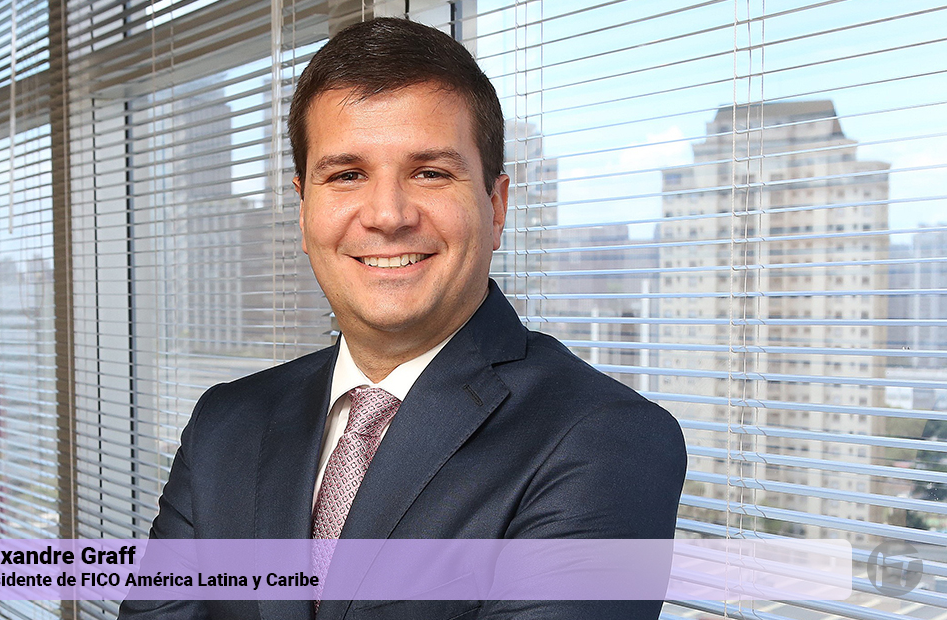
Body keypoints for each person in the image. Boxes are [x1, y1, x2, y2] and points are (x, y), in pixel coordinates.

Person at [118, 17, 686, 620]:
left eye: (430, 172)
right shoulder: (225, 423)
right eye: (347, 175)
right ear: (304, 211)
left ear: (496, 208)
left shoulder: (605, 441)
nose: (388, 215)